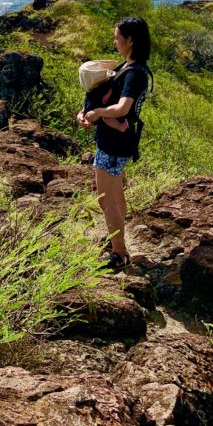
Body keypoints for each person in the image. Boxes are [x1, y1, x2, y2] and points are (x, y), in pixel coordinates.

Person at [76, 17, 152, 270]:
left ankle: (119, 254)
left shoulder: (135, 74)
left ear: (130, 41)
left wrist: (97, 114)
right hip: (115, 141)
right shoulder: (128, 67)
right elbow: (104, 96)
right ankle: (118, 241)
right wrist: (87, 111)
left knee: (105, 200)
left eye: (118, 37)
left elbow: (122, 108)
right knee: (115, 196)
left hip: (114, 144)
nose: (114, 41)